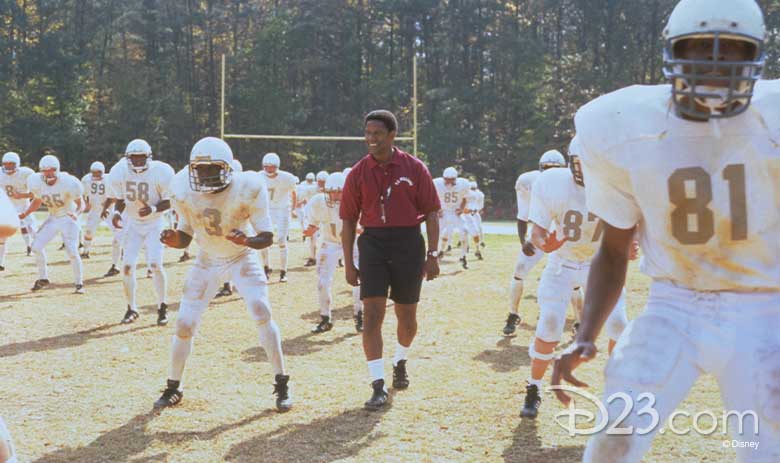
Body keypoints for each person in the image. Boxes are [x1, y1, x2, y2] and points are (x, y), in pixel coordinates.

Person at [552, 1, 780, 461]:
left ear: (756, 57)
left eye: (731, 51)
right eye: (698, 48)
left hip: (768, 306)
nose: (713, 65)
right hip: (675, 304)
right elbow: (614, 249)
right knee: (613, 438)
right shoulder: (621, 124)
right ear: (672, 52)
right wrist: (586, 333)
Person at [154, 136, 291, 412]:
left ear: (227, 167)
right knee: (184, 324)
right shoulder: (182, 187)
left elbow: (266, 236)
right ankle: (173, 386)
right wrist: (173, 240)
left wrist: (247, 241)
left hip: (241, 256)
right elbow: (185, 235)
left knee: (261, 309)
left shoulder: (248, 186)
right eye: (199, 169)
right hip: (207, 258)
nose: (203, 175)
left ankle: (282, 381)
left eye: (210, 168)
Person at [520, 137, 630, 419]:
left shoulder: (618, 184)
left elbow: (631, 230)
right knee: (551, 324)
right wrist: (547, 244)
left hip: (600, 264)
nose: (587, 169)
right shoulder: (552, 183)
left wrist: (631, 245)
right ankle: (533, 387)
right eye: (581, 162)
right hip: (563, 262)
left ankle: (615, 391)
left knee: (619, 325)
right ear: (572, 162)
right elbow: (536, 233)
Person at [341, 109, 441, 410]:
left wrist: (433, 254)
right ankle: (377, 384)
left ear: (391, 135)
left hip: (408, 243)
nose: (371, 139)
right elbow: (347, 219)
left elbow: (432, 212)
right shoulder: (358, 172)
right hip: (372, 243)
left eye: (377, 134)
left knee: (406, 317)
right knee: (371, 315)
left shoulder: (414, 167)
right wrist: (348, 262)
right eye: (368, 133)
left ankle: (400, 360)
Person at [104, 139, 175, 325]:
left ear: (148, 157)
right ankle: (131, 308)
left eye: (141, 157)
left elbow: (170, 200)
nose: (137, 161)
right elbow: (120, 198)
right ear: (127, 158)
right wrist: (117, 213)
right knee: (127, 267)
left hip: (155, 223)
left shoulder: (161, 172)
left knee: (155, 265)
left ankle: (162, 306)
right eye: (133, 158)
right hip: (134, 224)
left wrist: (152, 209)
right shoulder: (119, 172)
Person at [503, 150, 571, 335]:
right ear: (541, 168)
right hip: (538, 236)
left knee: (573, 280)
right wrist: (522, 240)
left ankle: (579, 322)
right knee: (519, 272)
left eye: (555, 169)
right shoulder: (528, 182)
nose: (551, 173)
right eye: (548, 168)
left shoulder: (571, 183)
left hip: (561, 236)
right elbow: (522, 215)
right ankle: (513, 314)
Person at [304, 172, 362, 333]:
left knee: (359, 279)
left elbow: (367, 225)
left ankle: (359, 314)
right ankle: (325, 318)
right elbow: (313, 224)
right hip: (330, 242)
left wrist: (361, 229)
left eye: (339, 192)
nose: (335, 196)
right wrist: (309, 230)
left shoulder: (358, 199)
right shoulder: (318, 202)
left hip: (353, 242)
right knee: (322, 282)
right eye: (331, 192)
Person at [20, 154, 86, 293]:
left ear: (57, 169)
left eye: (52, 169)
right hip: (53, 218)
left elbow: (81, 203)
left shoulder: (68, 182)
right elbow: (37, 200)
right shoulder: (36, 182)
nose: (49, 173)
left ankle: (79, 283)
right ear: (41, 171)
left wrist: (77, 213)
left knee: (72, 251)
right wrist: (25, 213)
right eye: (45, 170)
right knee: (36, 247)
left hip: (69, 219)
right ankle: (43, 278)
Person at [259, 153, 298, 282]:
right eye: (267, 167)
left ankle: (283, 271)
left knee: (282, 240)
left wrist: (293, 208)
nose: (269, 169)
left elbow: (293, 192)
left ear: (277, 166)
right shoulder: (258, 176)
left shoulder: (287, 178)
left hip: (282, 209)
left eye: (272, 167)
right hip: (267, 209)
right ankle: (266, 268)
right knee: (265, 239)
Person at [80, 162, 121, 274]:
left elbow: (115, 196)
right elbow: (83, 194)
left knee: (118, 232)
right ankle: (86, 251)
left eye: (99, 173)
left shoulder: (109, 179)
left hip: (109, 210)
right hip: (94, 210)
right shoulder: (86, 180)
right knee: (88, 231)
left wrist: (107, 208)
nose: (96, 175)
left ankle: (122, 252)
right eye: (94, 173)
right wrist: (87, 203)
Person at [0, 152, 36, 269]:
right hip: (7, 208)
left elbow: (36, 193)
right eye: (6, 164)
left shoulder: (27, 173)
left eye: (11, 163)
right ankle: (0, 262)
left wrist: (22, 195)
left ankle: (35, 251)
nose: (8, 166)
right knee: (2, 234)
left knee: (34, 231)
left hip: (24, 206)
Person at [434, 167, 470, 268]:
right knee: (436, 234)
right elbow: (431, 197)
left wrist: (461, 209)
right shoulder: (437, 183)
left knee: (465, 231)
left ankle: (463, 256)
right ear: (443, 178)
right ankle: (435, 256)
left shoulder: (463, 184)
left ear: (456, 178)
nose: (449, 182)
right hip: (443, 212)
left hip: (455, 212)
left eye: (451, 179)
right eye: (447, 179)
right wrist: (437, 209)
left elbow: (465, 198)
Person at [296, 172, 319, 266]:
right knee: (311, 237)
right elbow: (302, 198)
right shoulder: (305, 187)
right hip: (311, 213)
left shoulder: (328, 188)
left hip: (324, 215)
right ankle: (312, 257)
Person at [462, 180, 484, 260]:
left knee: (475, 232)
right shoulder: (477, 194)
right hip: (467, 215)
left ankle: (477, 249)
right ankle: (469, 249)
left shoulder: (475, 194)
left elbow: (477, 207)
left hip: (472, 214)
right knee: (466, 232)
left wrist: (472, 210)